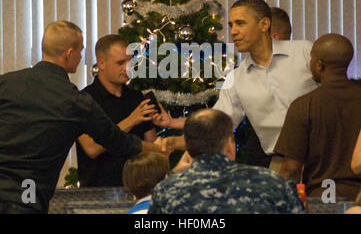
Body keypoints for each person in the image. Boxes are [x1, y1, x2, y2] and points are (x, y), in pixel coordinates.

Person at [0, 21, 165, 214]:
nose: (81, 57)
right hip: (25, 198)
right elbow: (115, 140)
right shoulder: (74, 100)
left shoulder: (6, 83)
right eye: (80, 52)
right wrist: (155, 148)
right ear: (69, 53)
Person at [153, 0, 317, 168]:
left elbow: (334, 94)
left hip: (325, 156)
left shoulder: (304, 51)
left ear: (264, 24)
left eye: (240, 23)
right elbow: (213, 128)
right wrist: (172, 141)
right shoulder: (236, 78)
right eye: (231, 25)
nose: (233, 32)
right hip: (280, 163)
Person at [148, 108, 304, 214]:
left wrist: (174, 174)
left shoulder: (165, 191)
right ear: (229, 145)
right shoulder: (271, 183)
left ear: (188, 148)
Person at [274, 34, 361, 201]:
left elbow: (291, 169)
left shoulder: (303, 105)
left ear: (319, 64)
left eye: (311, 58)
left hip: (321, 199)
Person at [76, 34, 158, 187]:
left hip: (138, 190)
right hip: (96, 193)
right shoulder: (84, 100)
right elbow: (91, 149)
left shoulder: (137, 98)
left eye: (129, 61)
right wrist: (131, 121)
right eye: (120, 62)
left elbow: (153, 149)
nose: (127, 67)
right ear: (101, 63)